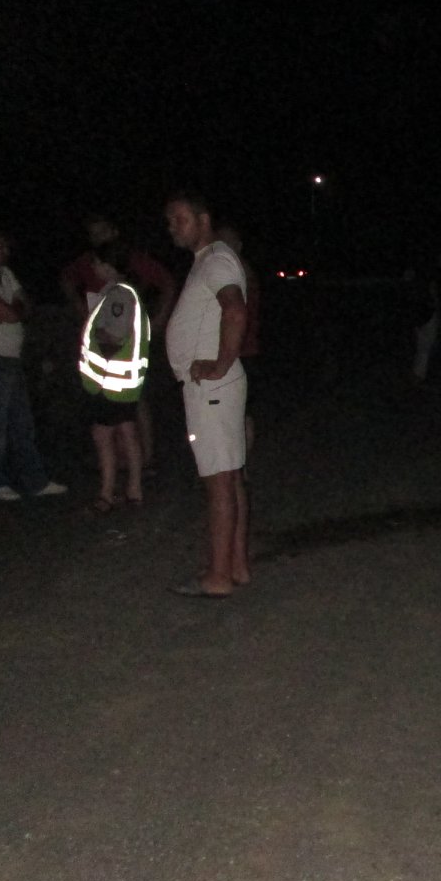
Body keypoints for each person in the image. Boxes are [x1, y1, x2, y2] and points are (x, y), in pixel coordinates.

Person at [164, 193, 249, 597]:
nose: (173, 227)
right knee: (229, 479)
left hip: (212, 388)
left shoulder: (216, 260)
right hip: (216, 387)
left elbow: (234, 310)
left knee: (218, 483)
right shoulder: (208, 261)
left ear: (203, 218)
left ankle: (218, 576)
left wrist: (219, 363)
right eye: (169, 222)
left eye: (180, 219)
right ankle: (234, 565)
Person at [0, 226, 67, 502]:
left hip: (10, 357)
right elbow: (9, 313)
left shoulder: (5, 274)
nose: (3, 252)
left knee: (22, 423)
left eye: (4, 247)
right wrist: (12, 309)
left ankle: (34, 480)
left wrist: (12, 309)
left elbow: (23, 307)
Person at [61, 214, 178, 468]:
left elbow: (168, 283)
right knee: (106, 401)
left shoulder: (131, 259)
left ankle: (145, 458)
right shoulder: (89, 261)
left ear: (114, 231)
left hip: (126, 339)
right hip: (101, 345)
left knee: (135, 399)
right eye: (93, 233)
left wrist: (158, 321)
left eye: (102, 231)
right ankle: (121, 462)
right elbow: (67, 279)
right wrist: (82, 310)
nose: (97, 237)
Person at [76, 239, 149, 511]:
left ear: (108, 265)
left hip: (110, 381)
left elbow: (116, 335)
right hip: (124, 382)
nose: (93, 266)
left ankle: (107, 493)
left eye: (96, 261)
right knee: (128, 432)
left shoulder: (118, 294)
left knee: (103, 435)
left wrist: (94, 333)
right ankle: (134, 489)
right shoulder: (126, 292)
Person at [213, 222, 261, 453]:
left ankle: (240, 468)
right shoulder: (226, 270)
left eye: (227, 242)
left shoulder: (240, 272)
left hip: (242, 351)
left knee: (240, 413)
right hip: (231, 350)